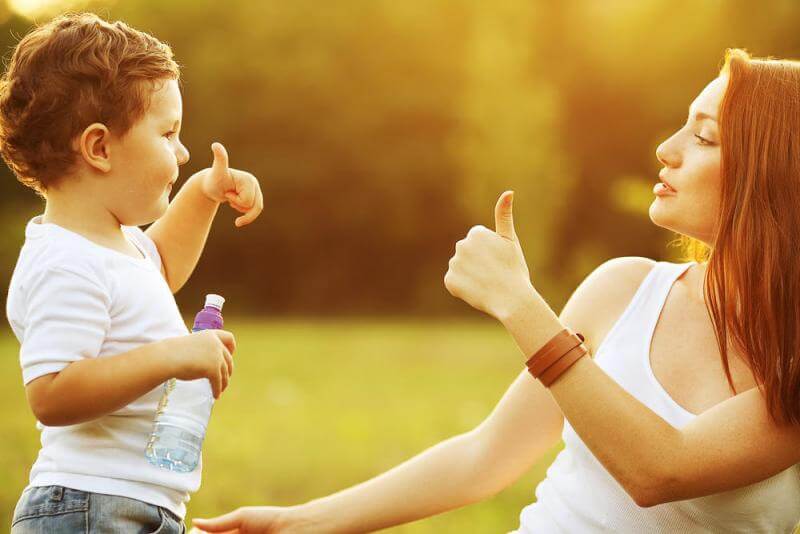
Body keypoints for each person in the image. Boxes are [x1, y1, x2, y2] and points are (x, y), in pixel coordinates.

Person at [192, 49, 800, 533]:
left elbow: (659, 469)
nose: (664, 149)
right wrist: (302, 523)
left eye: (703, 137)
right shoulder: (624, 289)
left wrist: (520, 304)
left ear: (769, 169)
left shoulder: (792, 368)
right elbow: (486, 455)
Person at [3, 13, 264, 533]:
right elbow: (52, 393)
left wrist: (202, 194)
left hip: (126, 505)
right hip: (88, 506)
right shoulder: (66, 262)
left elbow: (161, 266)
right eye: (168, 133)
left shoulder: (116, 248)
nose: (183, 151)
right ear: (99, 148)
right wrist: (170, 355)